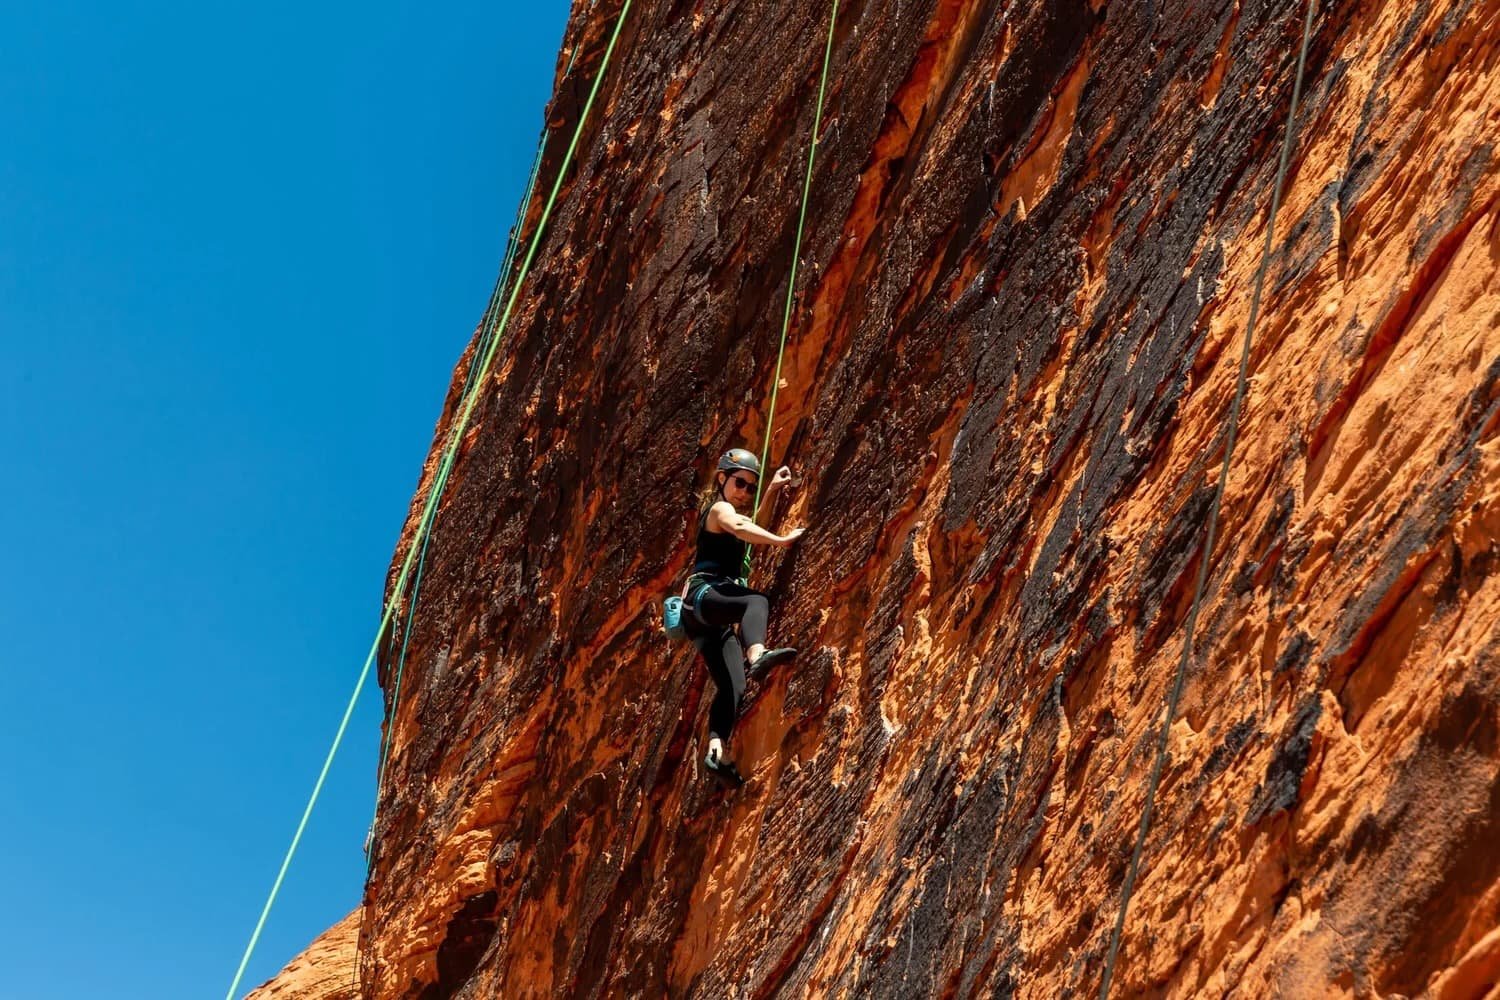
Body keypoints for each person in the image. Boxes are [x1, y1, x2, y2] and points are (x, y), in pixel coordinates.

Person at [681, 447, 805, 784]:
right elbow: (741, 527)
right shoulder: (720, 509)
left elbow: (750, 529)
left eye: (750, 487)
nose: (744, 492)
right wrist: (781, 542)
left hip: (705, 619)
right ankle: (758, 655)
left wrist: (771, 491)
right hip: (705, 596)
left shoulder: (732, 513)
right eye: (740, 483)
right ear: (722, 478)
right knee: (755, 602)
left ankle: (716, 751)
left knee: (733, 687)